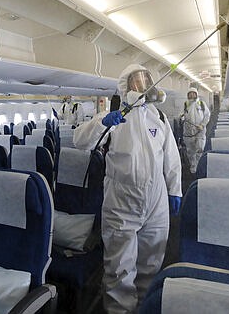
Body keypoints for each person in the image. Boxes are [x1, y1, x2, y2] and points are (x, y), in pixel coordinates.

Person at [73, 64, 182, 313]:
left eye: (145, 80)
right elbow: (80, 141)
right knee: (119, 268)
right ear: (124, 86)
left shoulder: (159, 117)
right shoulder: (114, 117)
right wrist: (103, 124)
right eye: (135, 81)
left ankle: (144, 307)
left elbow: (171, 157)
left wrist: (175, 190)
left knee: (151, 264)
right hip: (121, 201)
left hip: (156, 201)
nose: (141, 85)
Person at [181, 84, 210, 174]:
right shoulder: (186, 104)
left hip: (200, 131)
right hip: (189, 132)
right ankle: (193, 166)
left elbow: (207, 115)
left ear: (196, 94)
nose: (192, 95)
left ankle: (199, 165)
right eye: (190, 94)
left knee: (200, 148)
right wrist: (181, 117)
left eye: (194, 93)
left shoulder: (201, 104)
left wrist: (202, 125)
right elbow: (183, 114)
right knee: (190, 151)